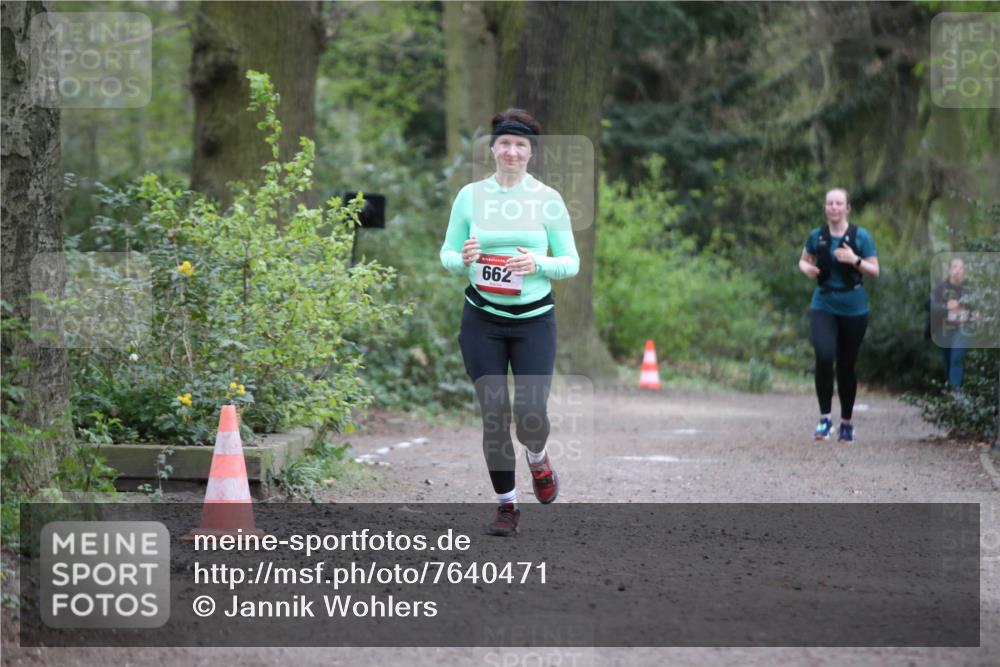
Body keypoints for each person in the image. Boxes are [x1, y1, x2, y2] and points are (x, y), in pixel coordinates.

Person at [440, 108, 579, 536]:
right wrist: (462, 259)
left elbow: (570, 262)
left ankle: (538, 458)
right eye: (505, 143)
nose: (512, 151)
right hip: (482, 320)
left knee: (531, 415)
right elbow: (447, 254)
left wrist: (537, 263)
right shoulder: (470, 196)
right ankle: (507, 506)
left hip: (534, 321)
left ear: (531, 152)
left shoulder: (548, 199)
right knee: (494, 415)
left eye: (520, 145)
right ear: (493, 149)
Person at [798, 188, 879, 443]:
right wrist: (807, 269)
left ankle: (846, 422)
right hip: (823, 303)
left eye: (839, 203)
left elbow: (875, 271)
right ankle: (825, 419)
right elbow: (803, 260)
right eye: (830, 203)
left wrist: (855, 260)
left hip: (854, 307)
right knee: (824, 357)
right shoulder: (817, 235)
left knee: (846, 365)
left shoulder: (861, 236)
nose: (834, 207)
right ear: (825, 208)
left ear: (847, 208)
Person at [930, 257, 971, 388]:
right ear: (949, 270)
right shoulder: (940, 288)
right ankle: (953, 391)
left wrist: (973, 315)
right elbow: (931, 307)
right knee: (949, 362)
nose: (957, 270)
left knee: (957, 359)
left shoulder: (969, 289)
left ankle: (955, 394)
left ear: (964, 271)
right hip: (944, 330)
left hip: (963, 330)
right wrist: (946, 307)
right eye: (954, 267)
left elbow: (977, 309)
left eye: (961, 267)